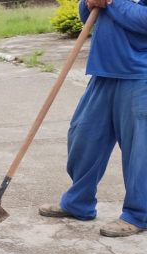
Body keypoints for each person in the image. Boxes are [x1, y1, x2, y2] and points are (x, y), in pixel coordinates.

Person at [38, 0, 147, 237]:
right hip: (102, 73)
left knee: (140, 152)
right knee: (83, 136)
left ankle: (138, 215)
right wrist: (88, 3)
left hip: (140, 76)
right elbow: (86, 15)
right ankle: (78, 202)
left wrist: (112, 2)